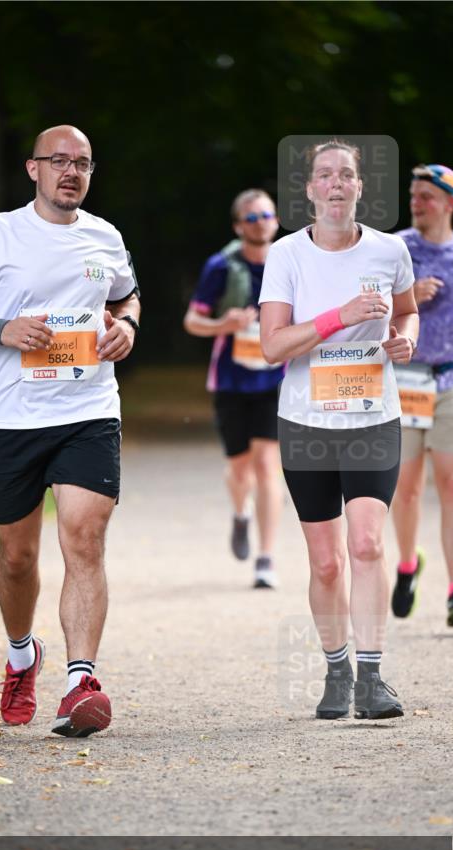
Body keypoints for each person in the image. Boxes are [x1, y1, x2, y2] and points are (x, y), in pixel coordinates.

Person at [0, 125, 140, 737]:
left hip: (90, 411)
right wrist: (1, 330)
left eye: (82, 163)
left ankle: (81, 683)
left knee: (84, 538)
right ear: (34, 169)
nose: (71, 171)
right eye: (59, 161)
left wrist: (127, 327)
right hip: (15, 419)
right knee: (17, 558)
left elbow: (128, 299)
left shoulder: (106, 237)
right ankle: (23, 653)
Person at [259, 139, 419, 721]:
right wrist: (339, 318)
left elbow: (406, 311)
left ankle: (373, 679)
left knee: (368, 543)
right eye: (323, 175)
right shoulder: (286, 256)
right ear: (309, 190)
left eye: (344, 175)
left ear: (358, 187)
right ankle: (336, 671)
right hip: (307, 424)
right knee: (326, 562)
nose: (334, 184)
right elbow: (273, 346)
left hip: (375, 415)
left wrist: (407, 339)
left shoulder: (389, 249)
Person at [183, 190, 283, 588]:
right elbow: (193, 320)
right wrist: (225, 323)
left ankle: (266, 558)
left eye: (266, 214)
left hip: (275, 377)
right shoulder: (220, 266)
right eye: (251, 216)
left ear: (276, 220)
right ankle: (241, 513)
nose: (260, 221)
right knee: (240, 468)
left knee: (266, 466)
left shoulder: (291, 262)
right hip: (230, 379)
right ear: (239, 226)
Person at [390, 164, 453, 628]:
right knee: (406, 487)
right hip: (407, 382)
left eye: (425, 196)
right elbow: (369, 309)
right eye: (413, 194)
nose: (416, 202)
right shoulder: (397, 247)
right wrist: (410, 296)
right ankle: (407, 564)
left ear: (449, 203)